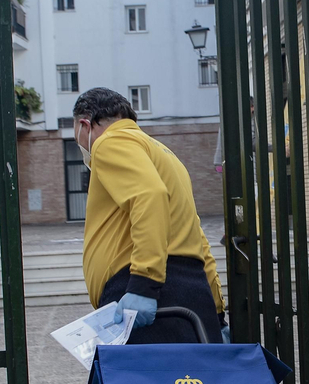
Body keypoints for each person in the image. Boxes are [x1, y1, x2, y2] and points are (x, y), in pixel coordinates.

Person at [73, 87, 227, 344]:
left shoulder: (109, 142)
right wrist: (216, 310)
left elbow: (149, 196)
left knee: (146, 381)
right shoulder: (164, 153)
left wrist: (144, 285)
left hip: (148, 294)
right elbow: (195, 233)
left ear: (84, 125)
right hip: (191, 291)